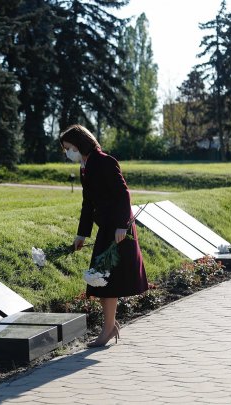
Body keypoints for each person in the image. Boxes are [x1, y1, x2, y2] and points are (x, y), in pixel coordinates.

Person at [59, 124, 148, 348]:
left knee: (106, 280)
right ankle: (110, 325)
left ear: (80, 144)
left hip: (117, 229)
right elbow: (88, 203)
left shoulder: (105, 161)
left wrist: (121, 226)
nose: (68, 153)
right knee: (100, 280)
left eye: (69, 148)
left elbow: (123, 194)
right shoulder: (85, 167)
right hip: (105, 228)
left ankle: (108, 329)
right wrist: (82, 234)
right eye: (65, 149)